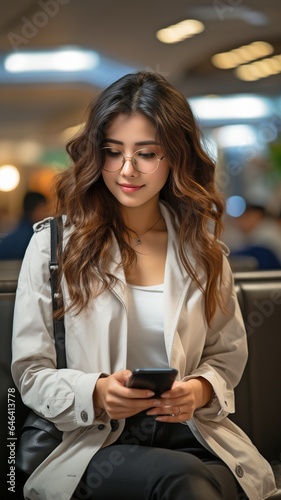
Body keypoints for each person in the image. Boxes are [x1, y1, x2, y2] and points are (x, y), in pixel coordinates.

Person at [11, 71, 276, 500]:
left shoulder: (202, 251)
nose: (126, 170)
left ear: (174, 157)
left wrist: (198, 389)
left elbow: (226, 356)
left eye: (146, 154)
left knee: (208, 481)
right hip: (98, 441)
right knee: (185, 483)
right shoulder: (53, 246)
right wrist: (96, 391)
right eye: (112, 153)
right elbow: (31, 372)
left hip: (191, 434)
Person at [0, 191, 49, 260]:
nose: (48, 213)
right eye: (44, 208)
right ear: (38, 208)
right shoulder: (33, 237)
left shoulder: (13, 237)